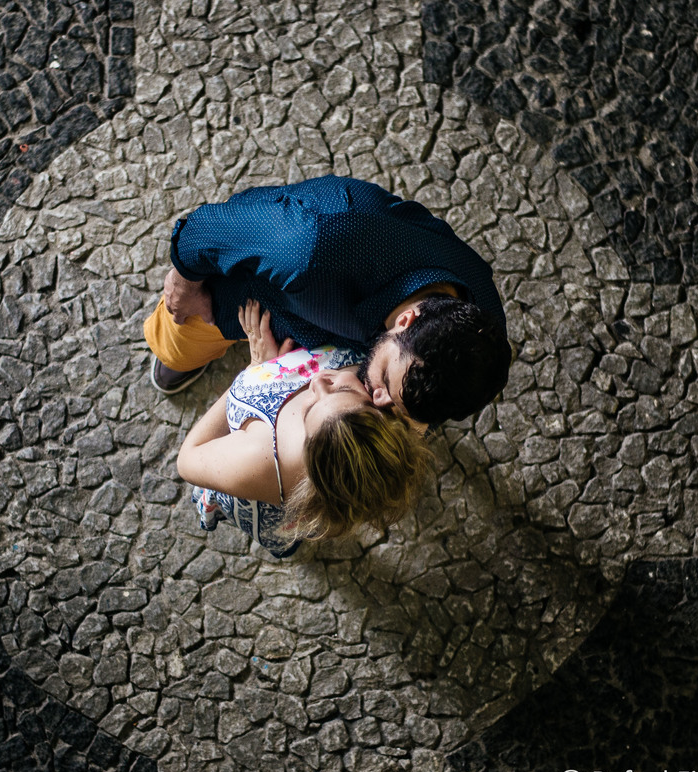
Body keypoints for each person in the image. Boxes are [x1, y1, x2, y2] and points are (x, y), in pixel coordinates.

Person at [145, 176, 512, 426]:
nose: (379, 401)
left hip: (310, 328)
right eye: (385, 382)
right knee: (175, 345)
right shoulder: (307, 247)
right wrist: (183, 285)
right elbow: (203, 229)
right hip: (244, 301)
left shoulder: (482, 334)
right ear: (406, 321)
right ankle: (182, 352)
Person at [177, 302, 432, 557]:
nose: (319, 382)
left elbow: (187, 458)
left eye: (308, 411)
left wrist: (254, 371)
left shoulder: (257, 459)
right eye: (344, 390)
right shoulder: (400, 408)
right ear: (382, 408)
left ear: (308, 452)